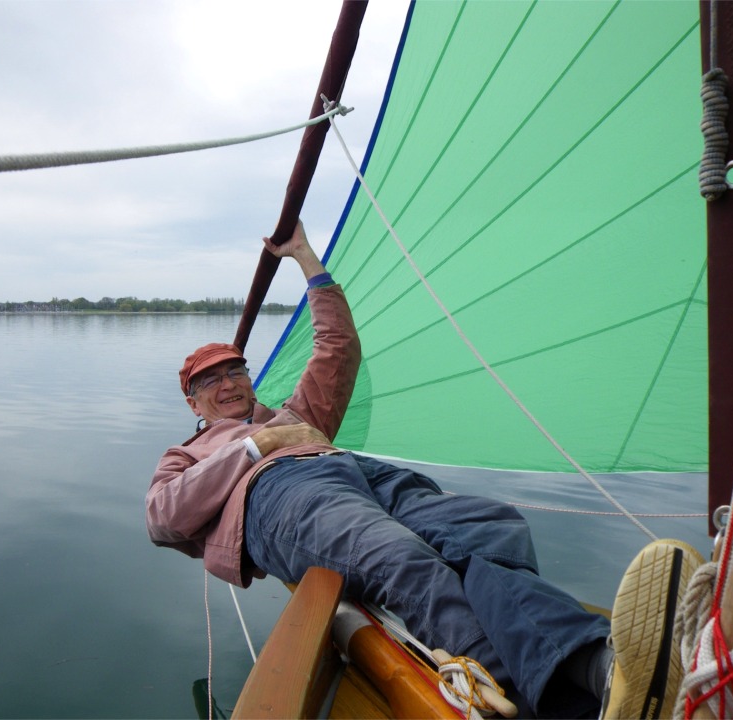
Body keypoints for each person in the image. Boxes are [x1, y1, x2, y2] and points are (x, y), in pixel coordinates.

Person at [146, 221, 703, 719]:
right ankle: (551, 705)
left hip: (357, 472)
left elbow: (337, 349)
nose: (226, 385)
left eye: (234, 371)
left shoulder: (297, 415)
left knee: (487, 528)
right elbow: (163, 518)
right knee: (401, 558)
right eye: (208, 382)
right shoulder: (187, 455)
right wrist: (251, 449)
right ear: (194, 404)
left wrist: (307, 259)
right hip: (275, 495)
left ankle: (599, 666)